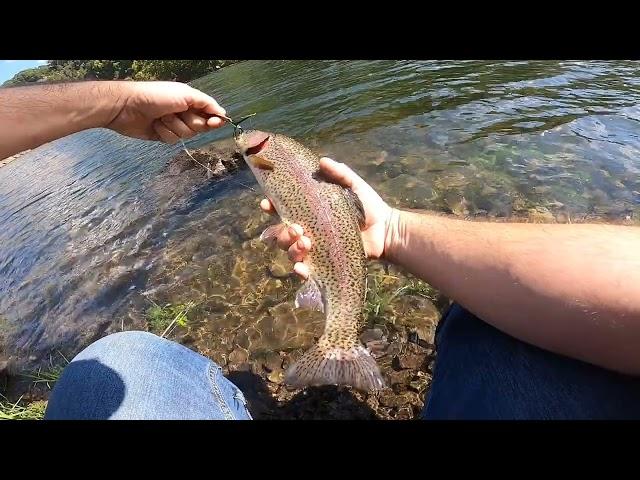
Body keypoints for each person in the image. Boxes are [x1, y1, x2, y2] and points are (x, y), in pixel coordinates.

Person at [2, 81, 640, 419]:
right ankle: (341, 340)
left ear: (260, 151)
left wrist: (113, 101)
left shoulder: (258, 152)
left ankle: (339, 344)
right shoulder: (267, 156)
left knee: (115, 363)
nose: (248, 140)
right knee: (491, 325)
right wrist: (384, 231)